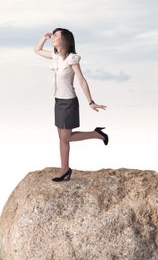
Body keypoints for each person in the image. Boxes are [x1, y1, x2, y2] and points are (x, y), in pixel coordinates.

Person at [33, 28, 109, 182]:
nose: (53, 37)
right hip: (58, 101)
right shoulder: (55, 56)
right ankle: (65, 169)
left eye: (56, 35)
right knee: (61, 138)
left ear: (64, 39)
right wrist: (44, 37)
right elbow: (37, 50)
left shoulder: (72, 58)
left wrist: (91, 102)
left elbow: (81, 80)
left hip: (68, 102)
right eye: (53, 35)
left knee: (66, 137)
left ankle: (97, 134)